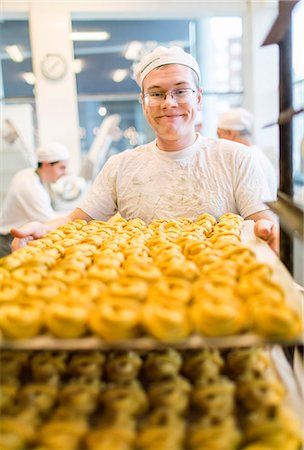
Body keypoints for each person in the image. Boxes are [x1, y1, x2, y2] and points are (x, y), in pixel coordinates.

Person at [10, 46, 279, 253]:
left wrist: (268, 229)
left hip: (222, 287)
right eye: (157, 93)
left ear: (198, 98)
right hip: (141, 291)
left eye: (181, 91)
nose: (169, 103)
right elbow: (76, 221)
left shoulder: (235, 158)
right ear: (143, 101)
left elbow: (261, 222)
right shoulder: (122, 165)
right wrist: (42, 229)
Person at [0, 142, 69, 257]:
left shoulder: (29, 175)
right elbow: (49, 223)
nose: (65, 173)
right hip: (9, 240)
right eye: (62, 168)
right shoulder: (30, 187)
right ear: (46, 165)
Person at [217, 107, 278, 199]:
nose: (218, 140)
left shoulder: (248, 159)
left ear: (230, 133)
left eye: (219, 135)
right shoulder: (254, 154)